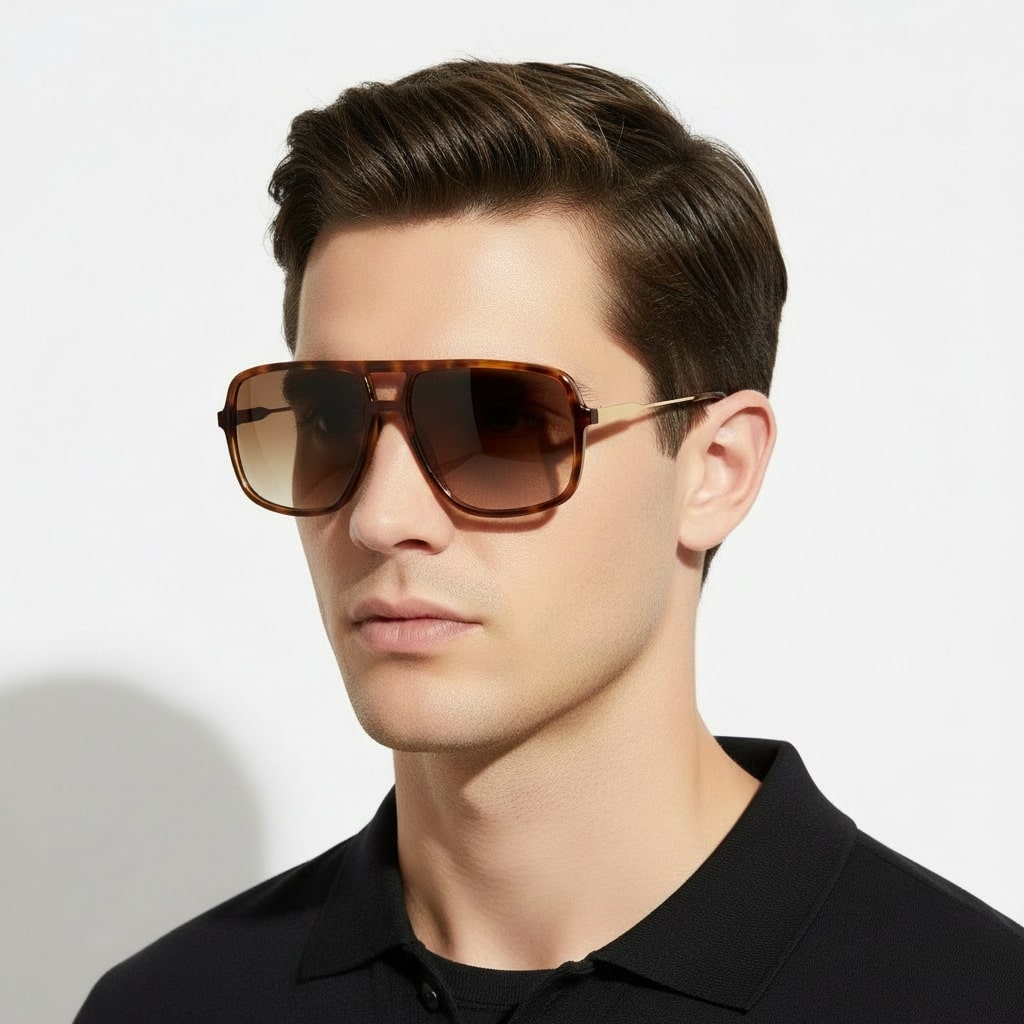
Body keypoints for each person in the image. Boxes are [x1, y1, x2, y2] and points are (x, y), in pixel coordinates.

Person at [75, 59, 1023, 1022]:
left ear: (715, 469)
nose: (379, 517)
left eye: (498, 423)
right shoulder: (169, 1006)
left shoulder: (971, 999)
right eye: (326, 419)